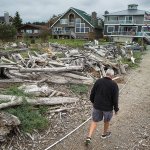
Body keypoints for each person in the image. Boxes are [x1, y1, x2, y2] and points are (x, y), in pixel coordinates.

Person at [85, 68, 119, 145]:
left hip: (97, 106)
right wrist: (116, 109)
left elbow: (92, 93)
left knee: (94, 121)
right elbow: (115, 99)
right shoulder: (114, 85)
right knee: (106, 121)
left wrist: (93, 102)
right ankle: (104, 134)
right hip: (107, 108)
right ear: (112, 76)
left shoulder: (98, 81)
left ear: (106, 74)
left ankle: (89, 137)